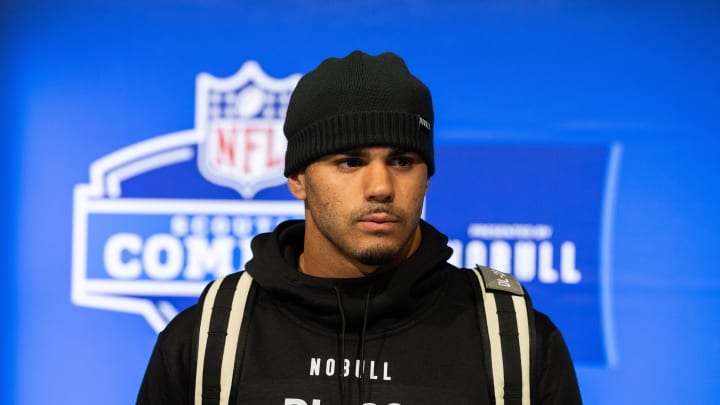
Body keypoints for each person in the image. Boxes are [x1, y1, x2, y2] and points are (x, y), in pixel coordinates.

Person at [138, 50, 582, 405]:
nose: (381, 187)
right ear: (297, 178)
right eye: (349, 162)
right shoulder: (208, 338)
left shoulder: (513, 340)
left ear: (427, 175)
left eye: (402, 161)